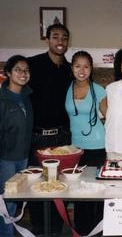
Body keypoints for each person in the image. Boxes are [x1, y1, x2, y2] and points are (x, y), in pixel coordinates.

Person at [27, 23, 72, 236]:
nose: (60, 41)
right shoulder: (32, 65)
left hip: (62, 138)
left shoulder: (70, 69)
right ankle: (39, 230)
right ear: (47, 39)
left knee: (59, 185)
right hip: (37, 138)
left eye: (64, 37)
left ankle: (56, 228)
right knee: (37, 186)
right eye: (55, 36)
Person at [65, 50, 107, 235]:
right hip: (75, 148)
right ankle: (82, 231)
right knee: (79, 192)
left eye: (86, 66)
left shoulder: (98, 89)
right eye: (77, 66)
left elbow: (110, 117)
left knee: (96, 192)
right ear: (72, 68)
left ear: (91, 68)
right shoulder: (66, 88)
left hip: (97, 145)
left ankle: (97, 230)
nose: (82, 70)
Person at [0, 55, 33, 237]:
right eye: (18, 70)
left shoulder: (27, 96)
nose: (23, 73)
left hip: (23, 158)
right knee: (7, 203)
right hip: (6, 160)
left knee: (15, 201)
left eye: (26, 70)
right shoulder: (2, 99)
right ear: (8, 73)